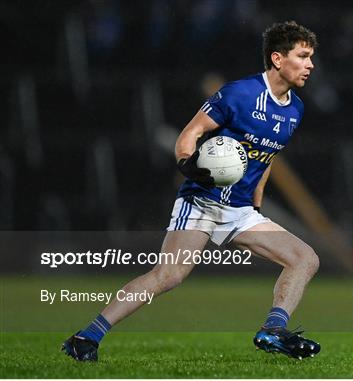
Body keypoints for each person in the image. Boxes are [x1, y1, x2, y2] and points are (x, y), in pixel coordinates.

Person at [62, 20, 320, 361]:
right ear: (276, 58)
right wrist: (187, 163)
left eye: (311, 57)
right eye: (302, 56)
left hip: (240, 211)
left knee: (304, 259)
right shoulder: (239, 94)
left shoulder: (295, 110)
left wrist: (256, 203)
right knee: (168, 275)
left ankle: (272, 331)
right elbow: (192, 132)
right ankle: (86, 338)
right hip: (203, 201)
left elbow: (267, 157)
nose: (310, 64)